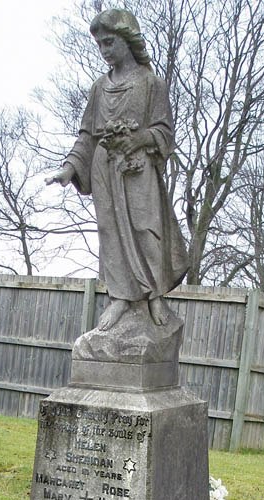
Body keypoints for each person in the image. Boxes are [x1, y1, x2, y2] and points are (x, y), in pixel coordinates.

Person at [46, 8, 188, 330]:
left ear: (127, 39)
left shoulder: (152, 84)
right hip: (104, 169)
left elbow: (165, 133)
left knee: (146, 229)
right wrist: (69, 168)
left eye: (110, 42)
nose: (105, 50)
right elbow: (87, 134)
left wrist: (139, 138)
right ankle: (120, 298)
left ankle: (154, 297)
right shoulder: (99, 87)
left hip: (138, 168)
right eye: (100, 45)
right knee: (110, 234)